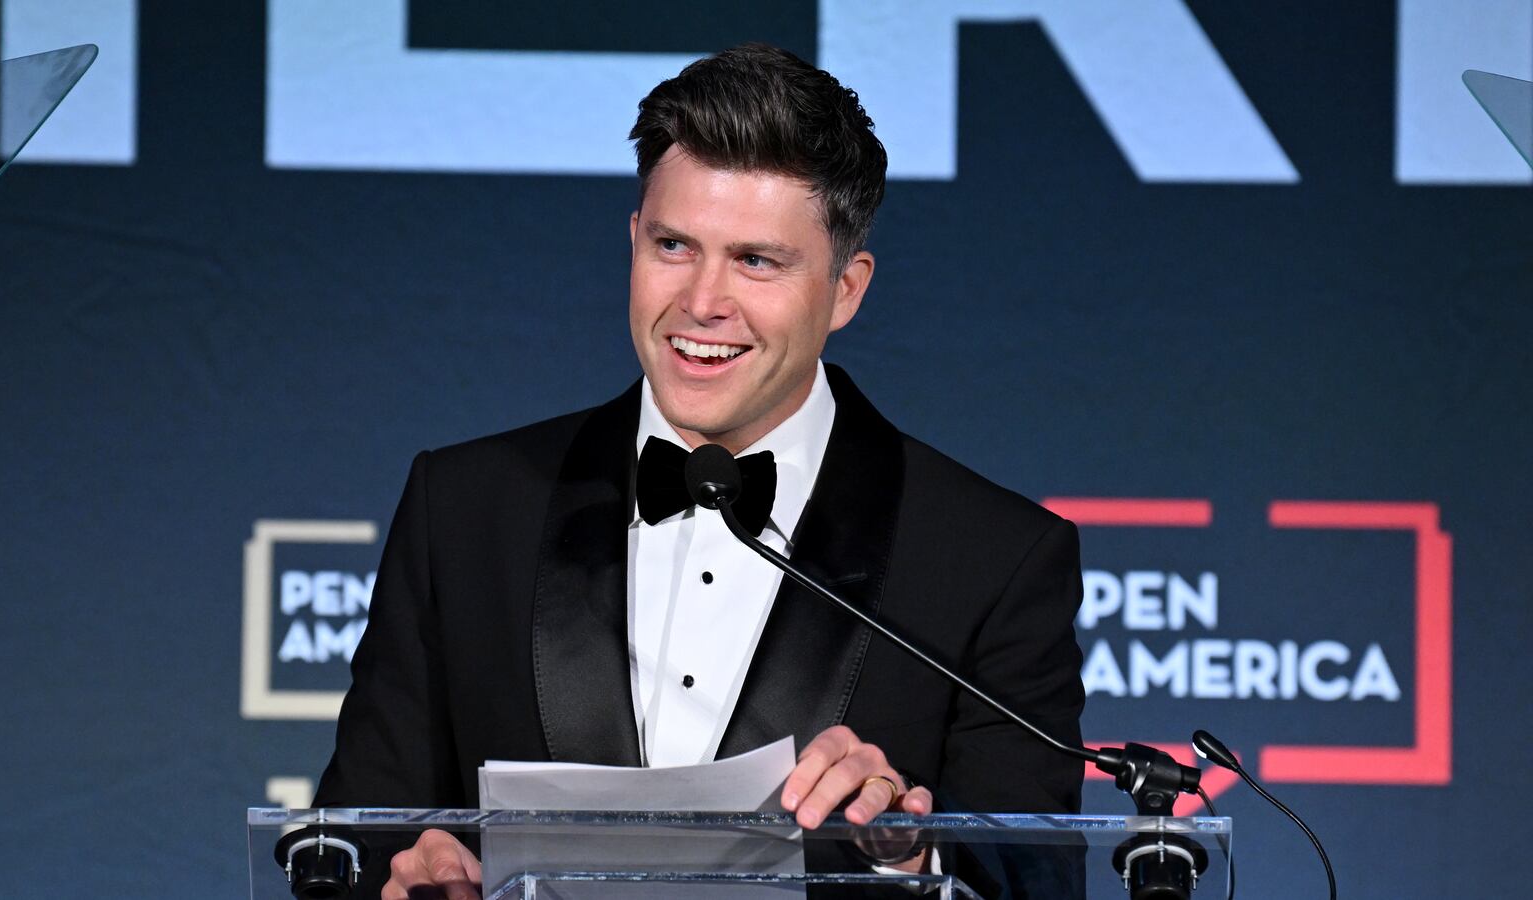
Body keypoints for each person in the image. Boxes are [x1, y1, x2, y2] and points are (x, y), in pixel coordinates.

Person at [313, 43, 1085, 899]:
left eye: (757, 260)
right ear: (632, 241)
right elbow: (347, 844)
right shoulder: (464, 509)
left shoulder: (990, 557)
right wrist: (401, 878)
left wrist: (906, 854)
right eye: (675, 245)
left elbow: (1036, 883)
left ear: (846, 290)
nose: (703, 301)